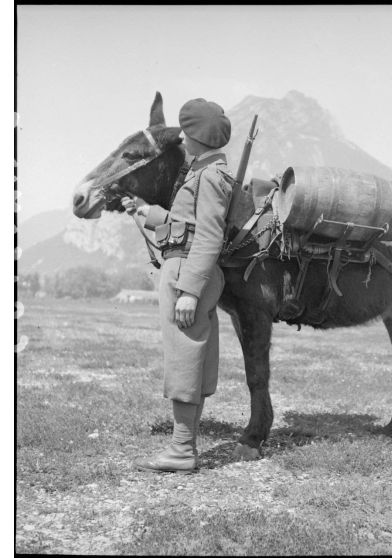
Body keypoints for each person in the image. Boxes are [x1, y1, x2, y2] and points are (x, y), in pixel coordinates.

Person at [121, 98, 233, 474]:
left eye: (184, 134)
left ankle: (182, 451)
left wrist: (189, 290)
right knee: (189, 358)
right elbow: (187, 225)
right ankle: (182, 447)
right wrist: (151, 215)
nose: (182, 140)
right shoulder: (203, 171)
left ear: (192, 137)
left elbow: (208, 237)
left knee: (184, 358)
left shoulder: (209, 177)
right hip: (184, 264)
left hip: (187, 270)